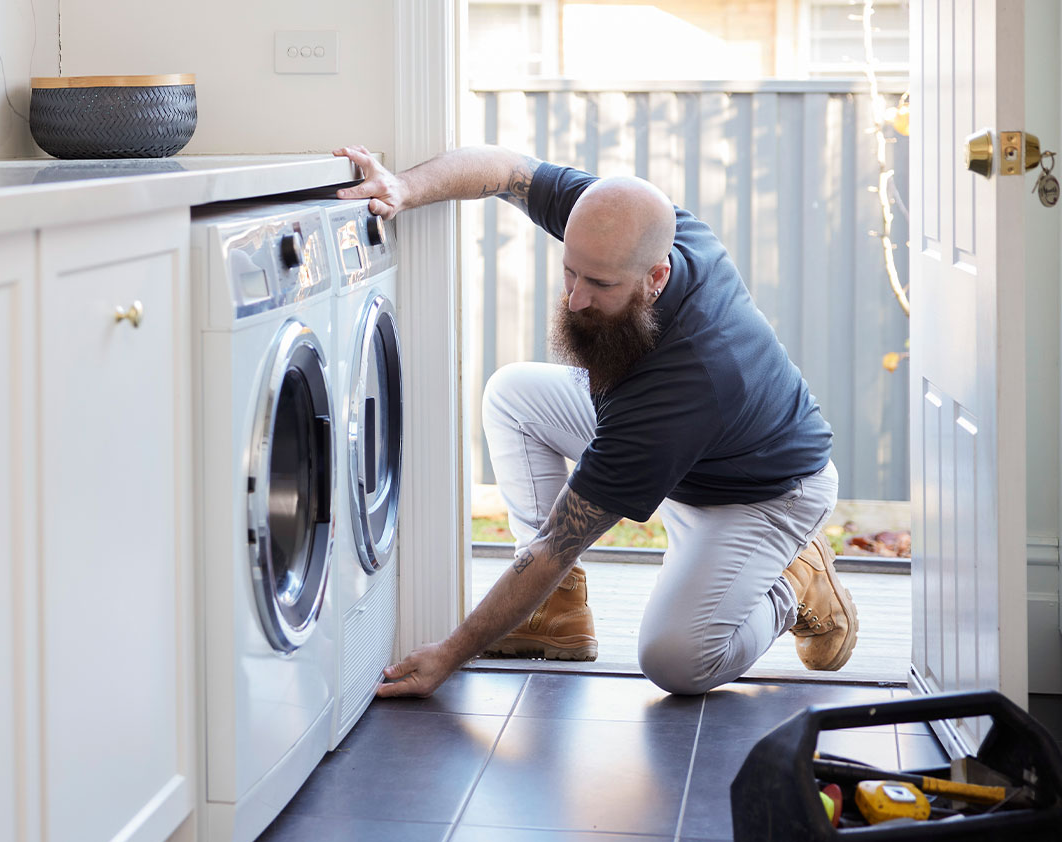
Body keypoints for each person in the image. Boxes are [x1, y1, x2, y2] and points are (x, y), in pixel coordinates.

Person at [332, 144, 858, 698]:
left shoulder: (686, 381)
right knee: (513, 395)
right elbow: (503, 170)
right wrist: (404, 190)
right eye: (570, 272)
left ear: (657, 275)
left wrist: (449, 654)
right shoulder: (617, 224)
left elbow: (555, 545)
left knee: (676, 661)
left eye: (601, 285)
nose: (576, 299)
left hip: (759, 495)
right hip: (688, 448)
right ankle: (557, 613)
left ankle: (794, 580)